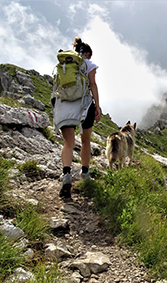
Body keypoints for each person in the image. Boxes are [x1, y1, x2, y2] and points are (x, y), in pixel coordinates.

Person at [54, 37, 102, 199]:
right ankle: (85, 173)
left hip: (64, 104)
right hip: (84, 104)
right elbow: (93, 84)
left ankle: (66, 174)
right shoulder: (88, 64)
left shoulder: (65, 65)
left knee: (68, 142)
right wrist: (98, 106)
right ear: (87, 53)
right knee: (86, 140)